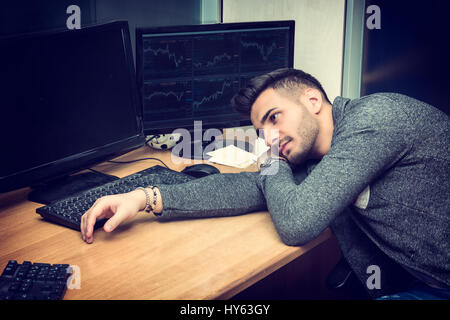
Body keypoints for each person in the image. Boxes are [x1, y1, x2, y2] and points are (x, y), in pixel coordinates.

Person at [80, 68, 450, 299]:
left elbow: (296, 223)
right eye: (261, 131)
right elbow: (253, 186)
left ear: (313, 100)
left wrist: (271, 161)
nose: (269, 137)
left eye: (275, 118)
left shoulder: (374, 120)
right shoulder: (315, 155)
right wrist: (144, 197)